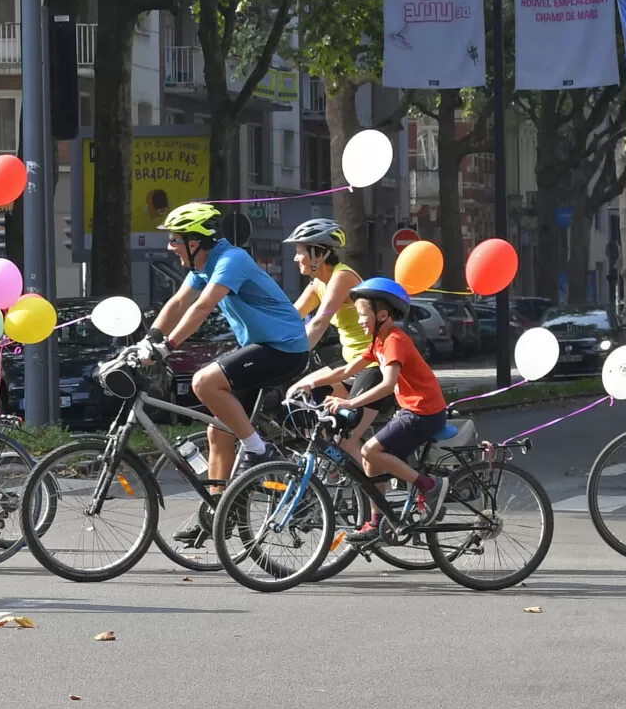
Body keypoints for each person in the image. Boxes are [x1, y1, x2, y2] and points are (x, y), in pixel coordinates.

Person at [142, 202, 311, 488]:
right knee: (219, 432)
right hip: (261, 347)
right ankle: (219, 510)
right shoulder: (202, 265)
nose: (170, 246)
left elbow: (202, 306)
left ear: (194, 242)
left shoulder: (232, 259)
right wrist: (149, 340)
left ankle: (260, 451)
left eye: (173, 239)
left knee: (204, 382)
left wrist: (168, 346)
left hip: (284, 349)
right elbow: (178, 302)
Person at [289, 277, 448, 499]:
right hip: (412, 411)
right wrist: (310, 383)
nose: (360, 320)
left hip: (424, 413)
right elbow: (346, 371)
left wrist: (349, 402)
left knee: (369, 451)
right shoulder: (378, 342)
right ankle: (376, 521)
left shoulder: (394, 341)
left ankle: (429, 486)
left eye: (363, 315)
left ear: (382, 315)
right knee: (369, 458)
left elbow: (387, 384)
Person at [285, 218, 369, 371]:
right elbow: (291, 316)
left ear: (318, 255)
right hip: (351, 364)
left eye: (299, 252)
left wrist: (295, 355)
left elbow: (319, 323)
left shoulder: (342, 277)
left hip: (370, 364)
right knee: (304, 388)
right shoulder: (318, 282)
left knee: (308, 386)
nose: (295, 258)